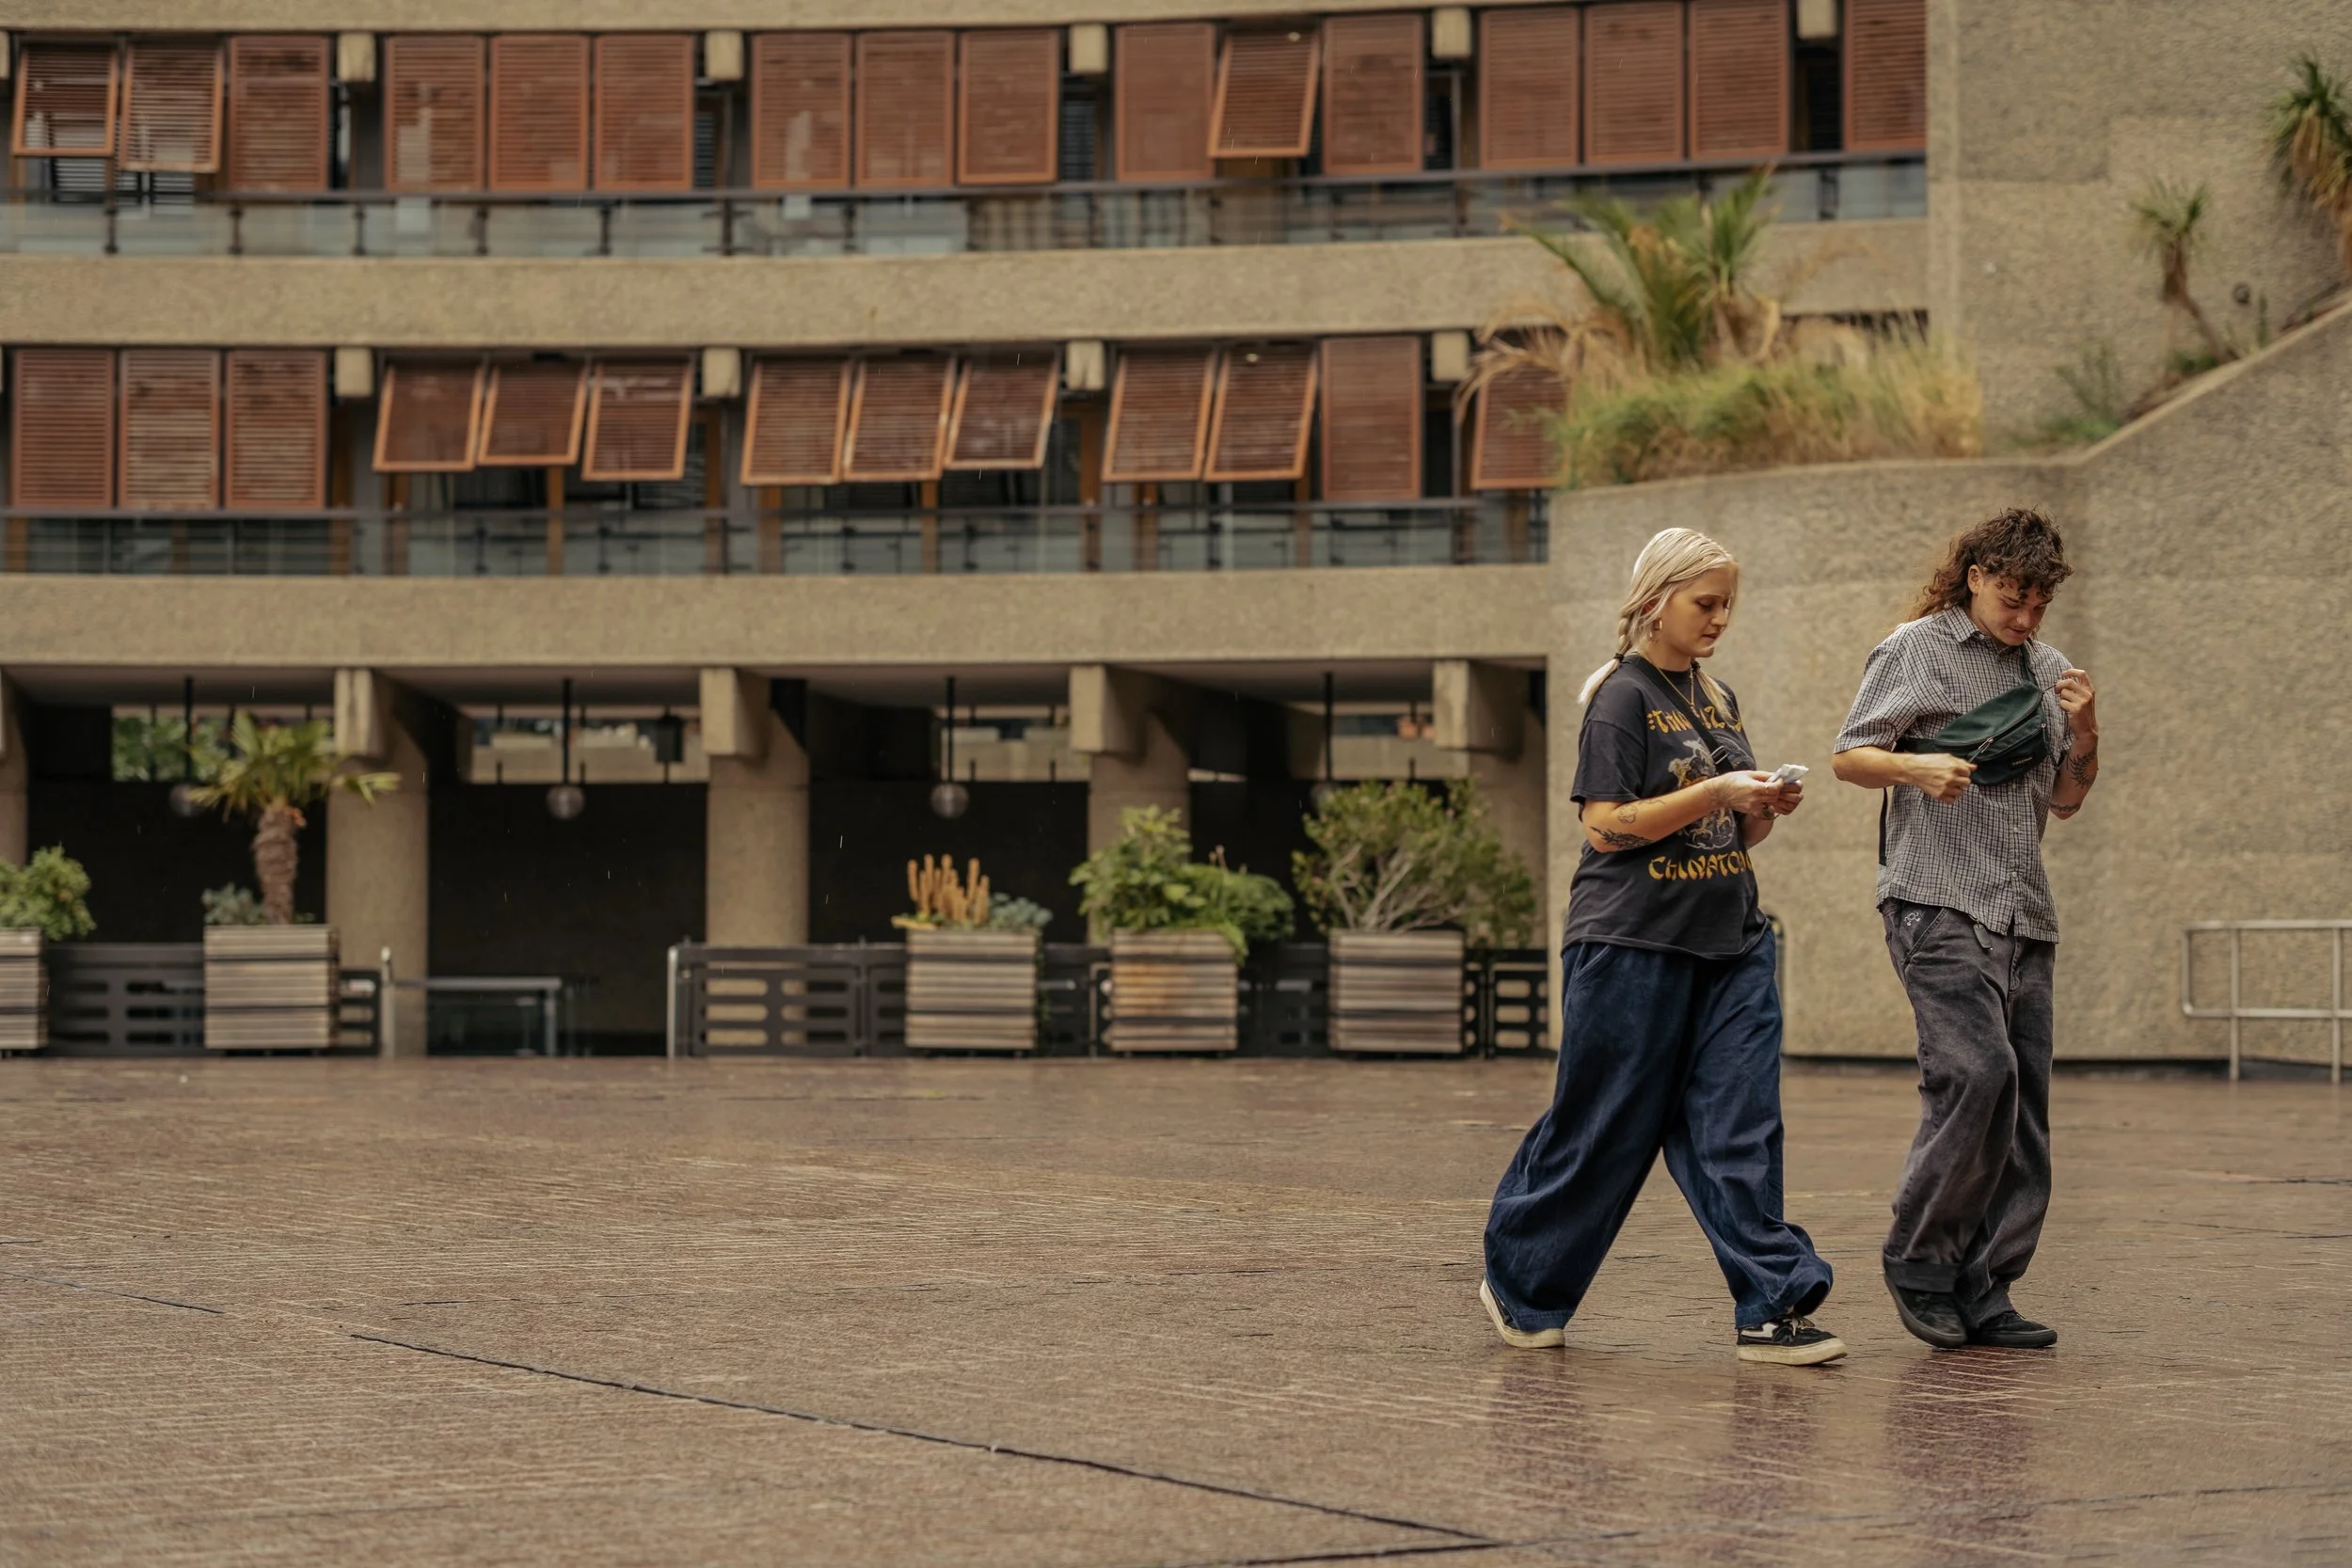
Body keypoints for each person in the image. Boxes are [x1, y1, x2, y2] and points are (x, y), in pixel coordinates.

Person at [1481, 528, 1845, 1367]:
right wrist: (1714, 789)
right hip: (1630, 945)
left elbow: (1734, 830)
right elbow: (1605, 826)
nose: (1720, 618)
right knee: (1605, 1126)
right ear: (1657, 600)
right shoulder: (1620, 696)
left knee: (1739, 1125)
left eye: (1727, 605)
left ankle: (1771, 1301)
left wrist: (1760, 805)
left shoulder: (1717, 697)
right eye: (1705, 603)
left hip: (1731, 944)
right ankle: (1522, 1280)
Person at [1830, 508, 2100, 1351]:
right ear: (1977, 573)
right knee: (1976, 1076)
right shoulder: (1916, 647)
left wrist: (2086, 726)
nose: (2024, 619)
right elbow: (1849, 754)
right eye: (2014, 599)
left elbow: (2067, 796)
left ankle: (1987, 1287)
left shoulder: (2050, 671)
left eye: (2038, 606)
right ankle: (1920, 1261)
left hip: (2024, 911)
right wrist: (1917, 764)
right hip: (1934, 900)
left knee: (2023, 1111)